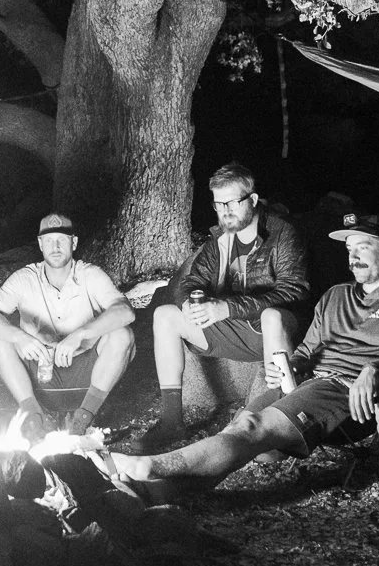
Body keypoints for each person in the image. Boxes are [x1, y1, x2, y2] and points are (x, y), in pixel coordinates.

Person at [103, 212, 379, 494]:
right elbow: (307, 350)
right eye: (350, 248)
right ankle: (162, 492)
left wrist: (376, 368)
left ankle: (147, 467)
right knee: (239, 432)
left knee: (250, 429)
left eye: (363, 247)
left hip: (345, 393)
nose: (353, 256)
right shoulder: (336, 295)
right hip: (307, 383)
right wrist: (291, 364)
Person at [127, 162, 311, 453]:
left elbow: (295, 290)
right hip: (235, 332)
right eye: (218, 204)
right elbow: (193, 279)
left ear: (251, 200)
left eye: (232, 203)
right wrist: (192, 301)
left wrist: (227, 308)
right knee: (166, 315)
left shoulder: (281, 234)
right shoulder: (220, 240)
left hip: (275, 332)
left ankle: (281, 426)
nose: (225, 211)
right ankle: (172, 421)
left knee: (273, 317)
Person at [0, 213, 136, 441]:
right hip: (41, 381)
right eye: (49, 240)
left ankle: (83, 419)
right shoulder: (24, 278)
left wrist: (83, 333)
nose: (55, 246)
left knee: (122, 335)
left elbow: (125, 311)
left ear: (73, 243)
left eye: (62, 240)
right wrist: (19, 337)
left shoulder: (90, 274)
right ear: (40, 244)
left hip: (88, 378)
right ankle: (34, 416)